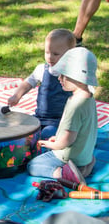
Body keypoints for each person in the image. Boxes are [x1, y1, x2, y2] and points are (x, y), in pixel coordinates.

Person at [27, 47, 98, 185]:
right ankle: (85, 166)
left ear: (78, 77)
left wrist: (51, 144)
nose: (59, 78)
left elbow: (68, 140)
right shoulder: (89, 98)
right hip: (84, 154)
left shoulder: (75, 104)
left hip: (69, 157)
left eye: (63, 75)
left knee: (33, 165)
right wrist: (57, 138)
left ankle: (64, 173)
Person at [8, 29, 76, 140]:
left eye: (55, 54)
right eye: (47, 52)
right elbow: (28, 83)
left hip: (62, 120)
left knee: (47, 134)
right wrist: (17, 96)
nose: (50, 57)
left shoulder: (72, 73)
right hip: (39, 117)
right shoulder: (42, 69)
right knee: (21, 129)